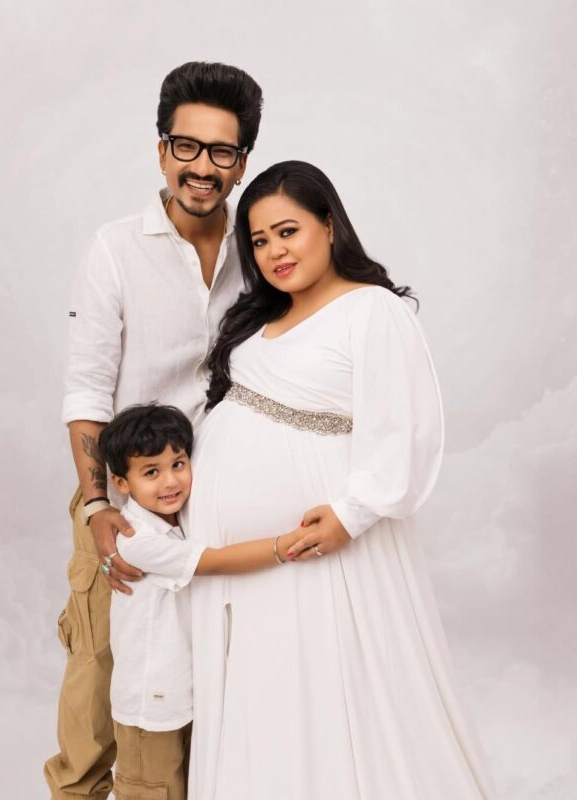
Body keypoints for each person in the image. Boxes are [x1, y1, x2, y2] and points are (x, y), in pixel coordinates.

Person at [183, 161, 496, 799]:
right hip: (241, 565)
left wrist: (353, 514)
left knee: (328, 687)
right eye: (259, 241)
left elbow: (405, 426)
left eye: (288, 231)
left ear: (329, 224)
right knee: (262, 697)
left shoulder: (372, 310)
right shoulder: (260, 318)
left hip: (317, 546)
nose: (274, 252)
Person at [44, 62, 263, 800]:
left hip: (213, 495)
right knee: (99, 671)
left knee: (200, 682)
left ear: (242, 163)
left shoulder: (258, 251)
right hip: (120, 497)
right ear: (161, 149)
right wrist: (96, 505)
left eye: (221, 151)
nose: (202, 166)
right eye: (186, 146)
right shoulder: (114, 247)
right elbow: (86, 386)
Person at [98, 403, 304, 800]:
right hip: (150, 707)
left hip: (183, 696)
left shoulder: (182, 521)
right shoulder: (137, 539)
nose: (170, 481)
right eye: (151, 472)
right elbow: (217, 561)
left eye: (178, 464)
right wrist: (286, 545)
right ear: (121, 483)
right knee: (150, 791)